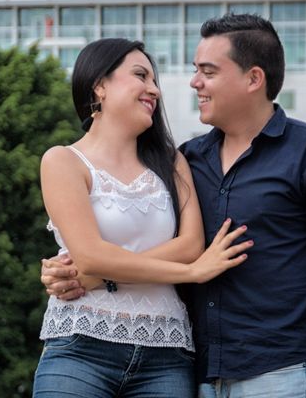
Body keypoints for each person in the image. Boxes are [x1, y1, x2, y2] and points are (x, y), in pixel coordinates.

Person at [41, 15, 306, 398]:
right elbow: (149, 250)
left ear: (253, 79)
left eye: (207, 72)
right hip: (200, 375)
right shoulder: (190, 160)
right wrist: (86, 274)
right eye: (195, 71)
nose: (193, 83)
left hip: (280, 373)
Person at [33, 38, 253, 398]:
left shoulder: (172, 162)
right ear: (99, 85)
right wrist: (190, 273)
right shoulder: (62, 161)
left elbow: (190, 245)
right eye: (140, 76)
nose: (153, 89)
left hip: (165, 355)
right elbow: (91, 255)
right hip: (80, 347)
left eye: (154, 81)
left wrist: (96, 278)